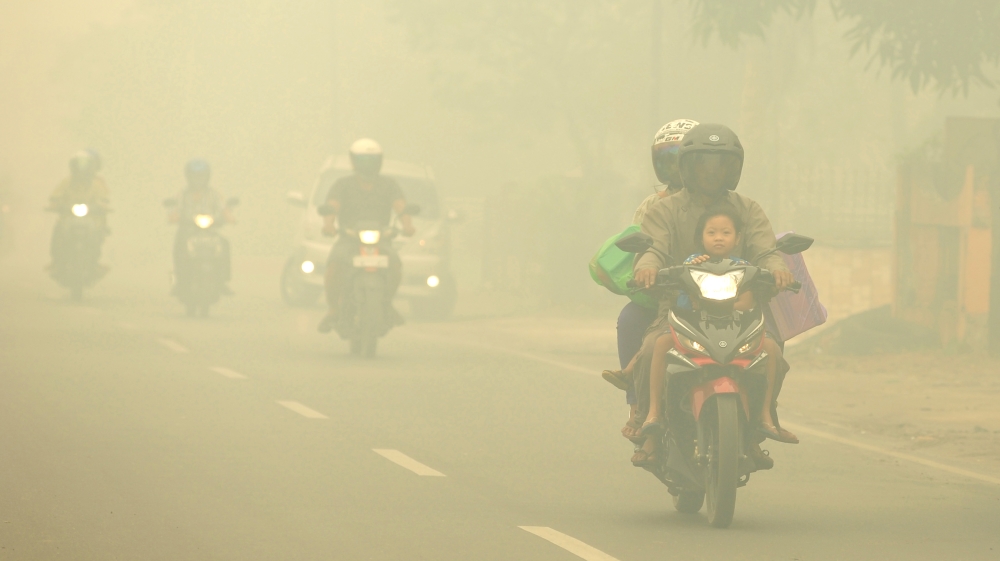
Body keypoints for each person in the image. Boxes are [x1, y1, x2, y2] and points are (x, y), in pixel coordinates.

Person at [629, 123, 797, 468]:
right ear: (687, 167)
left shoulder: (748, 209)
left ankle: (757, 428)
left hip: (741, 309)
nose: (711, 172)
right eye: (703, 164)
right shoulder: (664, 210)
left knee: (774, 354)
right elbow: (653, 248)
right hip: (680, 308)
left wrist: (778, 268)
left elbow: (766, 251)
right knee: (649, 350)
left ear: (732, 169)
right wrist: (646, 268)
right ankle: (649, 427)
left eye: (720, 164)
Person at [602, 118, 699, 442]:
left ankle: (759, 412)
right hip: (665, 293)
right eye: (666, 159)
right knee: (630, 319)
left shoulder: (724, 202)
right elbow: (642, 248)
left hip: (716, 295)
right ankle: (637, 405)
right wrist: (647, 270)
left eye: (680, 159)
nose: (674, 168)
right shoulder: (651, 205)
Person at [317, 138, 416, 334]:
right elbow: (332, 206)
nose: (368, 165)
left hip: (382, 239)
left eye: (372, 161)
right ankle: (333, 308)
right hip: (349, 238)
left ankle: (386, 303)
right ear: (353, 161)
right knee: (335, 265)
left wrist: (408, 225)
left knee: (395, 264)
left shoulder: (389, 184)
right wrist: (328, 224)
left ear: (380, 162)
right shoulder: (342, 184)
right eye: (363, 161)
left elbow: (400, 206)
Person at [169, 159, 234, 295]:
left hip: (210, 231)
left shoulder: (214, 194)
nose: (198, 180)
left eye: (201, 177)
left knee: (224, 244)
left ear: (207, 177)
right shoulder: (183, 194)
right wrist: (174, 217)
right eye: (194, 177)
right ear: (188, 177)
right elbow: (175, 211)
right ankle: (179, 281)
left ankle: (222, 281)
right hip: (187, 231)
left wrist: (229, 218)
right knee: (180, 245)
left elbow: (223, 209)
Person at [48, 151, 110, 273]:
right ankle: (56, 261)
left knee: (97, 234)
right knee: (57, 231)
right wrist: (56, 204)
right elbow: (55, 195)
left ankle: (94, 261)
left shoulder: (96, 184)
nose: (82, 170)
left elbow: (104, 199)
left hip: (90, 218)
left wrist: (101, 206)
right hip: (67, 217)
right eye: (79, 166)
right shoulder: (67, 182)